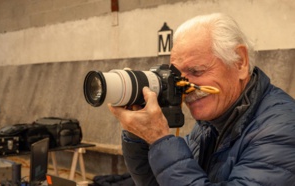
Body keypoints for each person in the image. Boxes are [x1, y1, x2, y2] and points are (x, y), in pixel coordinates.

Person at [108, 13, 295, 185]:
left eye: (196, 71)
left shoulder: (281, 130)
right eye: (176, 76)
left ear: (240, 62)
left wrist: (160, 140)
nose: (183, 86)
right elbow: (157, 182)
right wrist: (138, 136)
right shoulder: (210, 123)